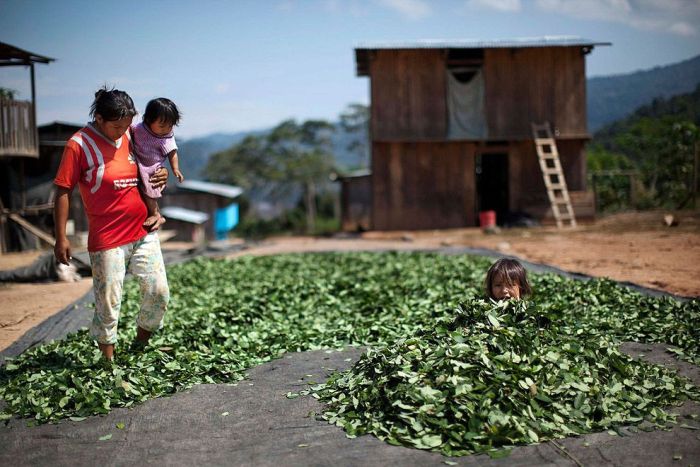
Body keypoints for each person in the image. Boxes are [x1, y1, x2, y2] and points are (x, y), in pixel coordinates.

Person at [53, 86, 170, 361]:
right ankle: (108, 364)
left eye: (127, 125)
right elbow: (62, 191)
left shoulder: (132, 134)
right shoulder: (78, 145)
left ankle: (140, 346)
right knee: (108, 302)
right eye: (117, 126)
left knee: (159, 292)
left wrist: (163, 173)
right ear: (100, 119)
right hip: (107, 238)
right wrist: (61, 237)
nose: (123, 131)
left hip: (143, 230)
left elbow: (151, 163)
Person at [130, 97, 183, 228]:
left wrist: (175, 169)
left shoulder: (166, 137)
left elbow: (172, 152)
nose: (166, 129)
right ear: (148, 120)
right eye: (162, 125)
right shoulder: (139, 127)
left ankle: (154, 213)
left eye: (170, 125)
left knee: (150, 188)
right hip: (138, 160)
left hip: (152, 166)